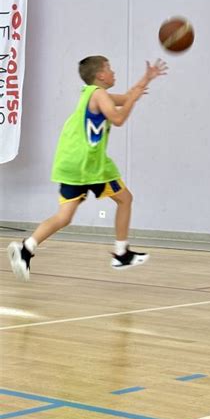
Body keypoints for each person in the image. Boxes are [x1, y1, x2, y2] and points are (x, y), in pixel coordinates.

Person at [8, 56, 167, 281]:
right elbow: (119, 118)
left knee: (64, 217)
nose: (113, 72)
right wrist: (133, 98)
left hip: (72, 163)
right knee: (125, 199)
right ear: (100, 75)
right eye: (109, 68)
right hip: (89, 165)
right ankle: (121, 253)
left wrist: (146, 79)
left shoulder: (93, 94)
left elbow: (128, 97)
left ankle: (26, 248)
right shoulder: (98, 94)